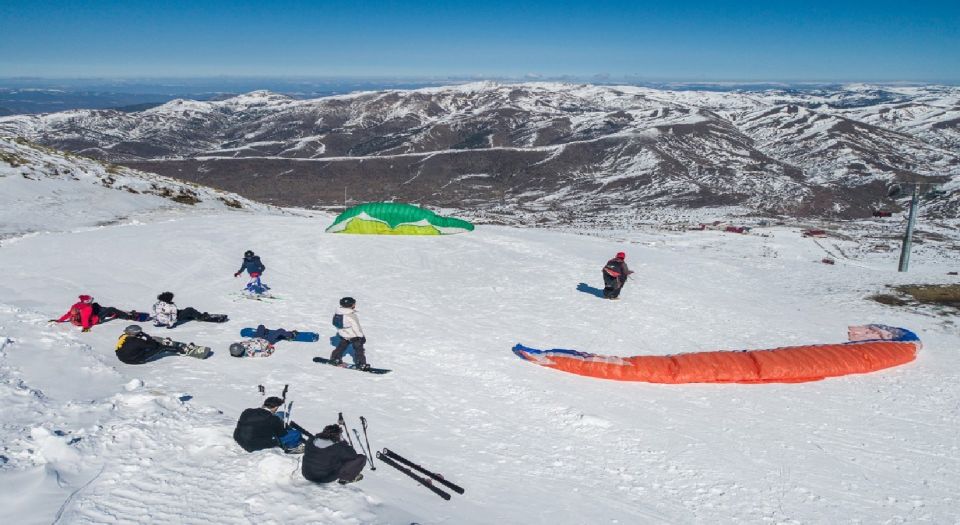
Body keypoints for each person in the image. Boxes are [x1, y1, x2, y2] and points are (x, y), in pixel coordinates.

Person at [233, 396, 304, 453]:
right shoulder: (273, 419)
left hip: (240, 439)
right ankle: (290, 448)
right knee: (295, 434)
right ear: (276, 407)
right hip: (253, 446)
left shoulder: (247, 411)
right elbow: (282, 434)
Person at [302, 424, 366, 485]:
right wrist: (343, 442)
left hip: (307, 474)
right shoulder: (337, 446)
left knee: (332, 458)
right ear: (337, 435)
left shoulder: (311, 440)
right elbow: (353, 456)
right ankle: (346, 478)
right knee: (361, 458)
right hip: (324, 478)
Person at [114, 324, 209, 364]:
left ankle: (164, 343)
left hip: (123, 357)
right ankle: (184, 351)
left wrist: (146, 339)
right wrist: (146, 336)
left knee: (151, 342)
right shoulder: (137, 341)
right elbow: (153, 345)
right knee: (161, 348)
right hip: (134, 360)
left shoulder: (123, 336)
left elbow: (137, 344)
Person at [51, 294, 142, 332]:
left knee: (95, 305)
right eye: (90, 300)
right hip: (94, 320)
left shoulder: (76, 305)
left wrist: (59, 320)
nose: (91, 300)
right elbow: (85, 318)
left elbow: (68, 314)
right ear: (86, 301)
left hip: (77, 321)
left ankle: (110, 313)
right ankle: (129, 317)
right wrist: (86, 328)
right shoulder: (87, 308)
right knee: (111, 309)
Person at [329, 297, 369, 370]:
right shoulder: (350, 315)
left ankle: (335, 358)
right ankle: (361, 364)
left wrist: (342, 332)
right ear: (351, 305)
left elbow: (335, 324)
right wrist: (361, 336)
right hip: (354, 336)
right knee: (359, 350)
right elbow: (356, 327)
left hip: (343, 335)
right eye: (354, 304)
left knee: (341, 347)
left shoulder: (338, 313)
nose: (355, 305)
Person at [152, 292, 227, 328]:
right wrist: (170, 325)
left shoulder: (157, 304)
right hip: (170, 320)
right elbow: (173, 317)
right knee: (189, 309)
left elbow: (154, 313)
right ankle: (201, 317)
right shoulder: (171, 306)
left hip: (161, 320)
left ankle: (189, 315)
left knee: (180, 311)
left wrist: (156, 322)